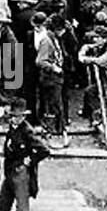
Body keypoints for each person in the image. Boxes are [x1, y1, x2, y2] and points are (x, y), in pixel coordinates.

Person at [0, 100, 50, 211]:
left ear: (23, 116)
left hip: (21, 176)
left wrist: (30, 160)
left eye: (18, 117)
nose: (15, 119)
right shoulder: (12, 130)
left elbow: (44, 150)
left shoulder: (27, 131)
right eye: (13, 116)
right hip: (10, 175)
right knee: (1, 208)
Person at [33, 12, 67, 148]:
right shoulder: (47, 41)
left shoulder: (54, 39)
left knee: (57, 105)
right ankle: (50, 133)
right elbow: (40, 61)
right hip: (50, 78)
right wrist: (53, 67)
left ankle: (58, 130)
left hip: (56, 78)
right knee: (51, 106)